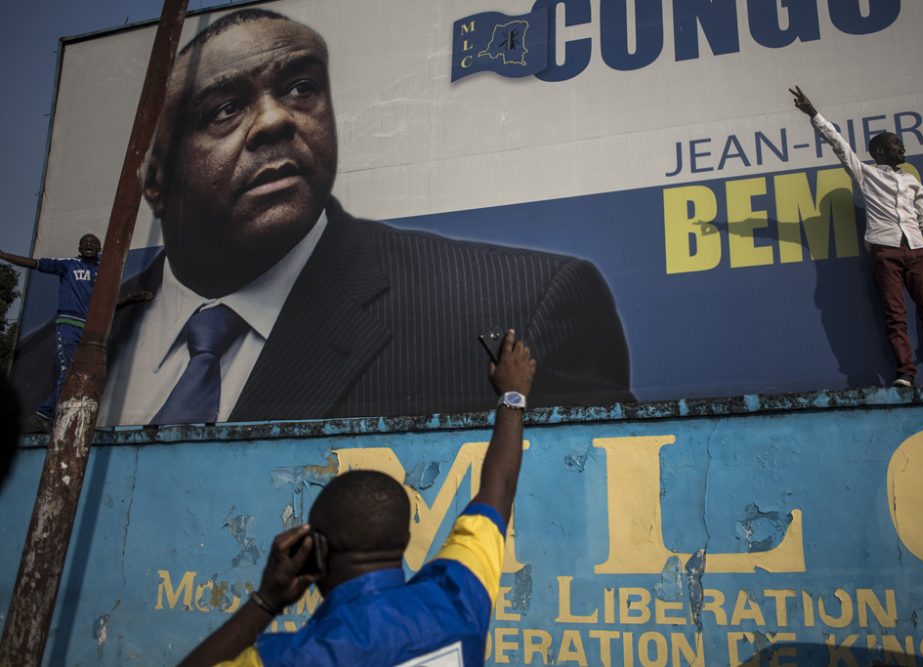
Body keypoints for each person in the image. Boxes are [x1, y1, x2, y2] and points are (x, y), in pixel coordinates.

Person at [8, 8, 632, 427]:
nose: (278, 120)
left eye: (302, 87)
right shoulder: (41, 367)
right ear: (155, 181)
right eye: (225, 109)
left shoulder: (520, 306)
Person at [179, 329, 535, 666]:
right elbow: (498, 490)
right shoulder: (459, 597)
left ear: (315, 550)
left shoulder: (297, 656)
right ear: (404, 539)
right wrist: (513, 395)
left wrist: (266, 600)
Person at [790, 86, 923, 388]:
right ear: (879, 152)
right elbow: (838, 144)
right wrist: (814, 114)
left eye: (900, 145)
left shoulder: (912, 182)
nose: (902, 149)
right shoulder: (866, 175)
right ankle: (906, 373)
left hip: (917, 251)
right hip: (886, 253)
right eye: (895, 145)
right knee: (895, 314)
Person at [0, 234, 150, 431]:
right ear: (79, 248)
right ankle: (43, 415)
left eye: (93, 243)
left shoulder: (103, 272)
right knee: (69, 373)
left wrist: (130, 298)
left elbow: (105, 305)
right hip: (69, 325)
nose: (89, 245)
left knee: (82, 375)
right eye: (85, 243)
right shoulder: (68, 265)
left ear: (99, 249)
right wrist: (3, 255)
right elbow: (35, 263)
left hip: (90, 330)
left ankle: (59, 417)